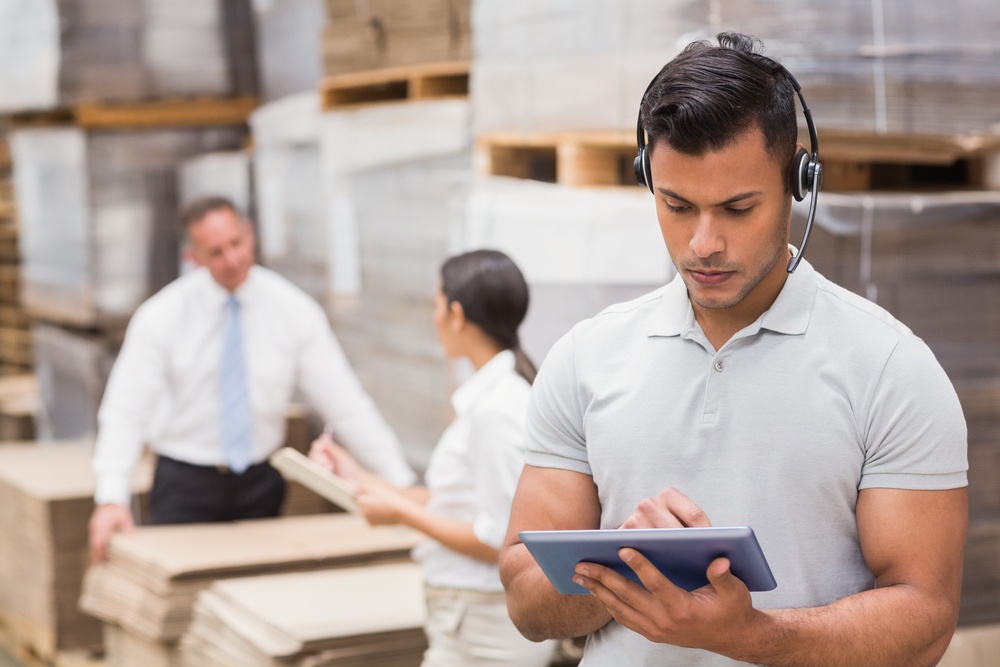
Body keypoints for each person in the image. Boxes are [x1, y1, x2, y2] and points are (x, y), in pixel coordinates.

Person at [498, 32, 968, 666]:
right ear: (648, 180)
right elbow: (526, 602)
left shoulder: (889, 369)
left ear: (799, 179)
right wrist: (625, 565)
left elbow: (926, 618)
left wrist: (749, 636)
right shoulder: (586, 358)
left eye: (738, 207)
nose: (704, 243)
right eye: (677, 205)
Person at [88, 196, 416, 563]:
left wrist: (401, 485)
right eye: (215, 252)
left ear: (250, 234)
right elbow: (126, 410)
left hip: (260, 483)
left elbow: (346, 405)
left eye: (236, 244)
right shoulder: (162, 318)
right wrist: (111, 496)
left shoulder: (292, 310)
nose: (231, 259)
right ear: (192, 257)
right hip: (185, 483)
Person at [310, 249, 557, 667]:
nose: (434, 318)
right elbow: (454, 501)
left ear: (456, 314)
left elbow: (499, 539)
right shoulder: (491, 398)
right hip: (466, 617)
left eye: (436, 305)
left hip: (485, 622)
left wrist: (402, 516)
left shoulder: (497, 411)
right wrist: (354, 474)